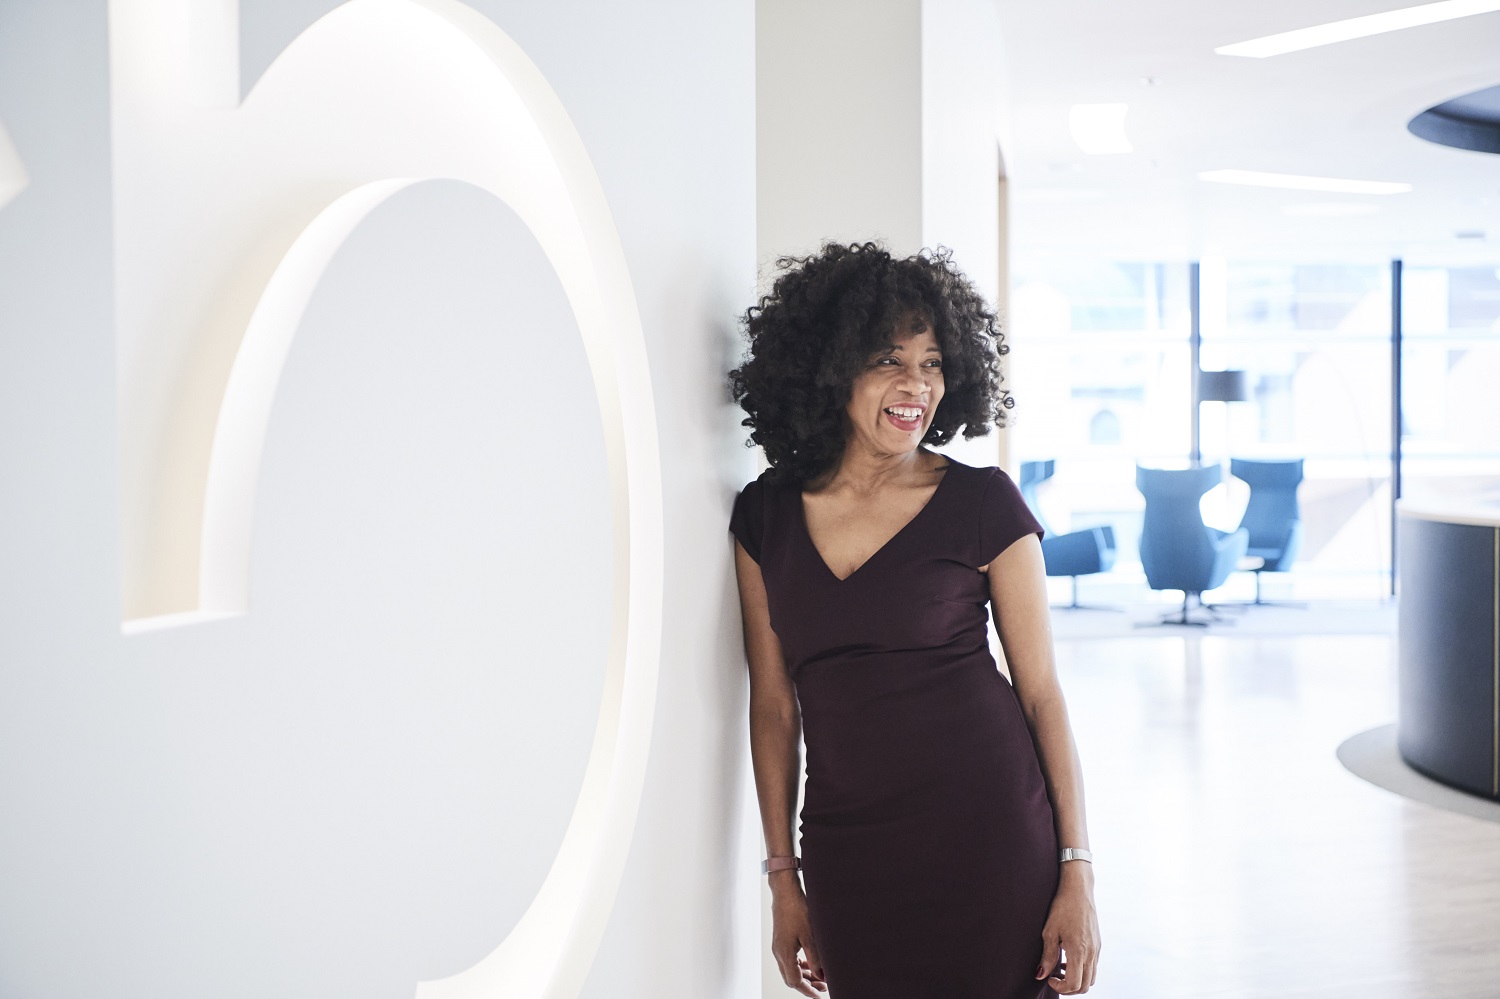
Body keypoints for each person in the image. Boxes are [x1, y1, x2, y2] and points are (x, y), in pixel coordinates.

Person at [727, 243, 1099, 998]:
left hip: (991, 833)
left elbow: (1041, 697)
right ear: (831, 368)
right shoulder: (764, 515)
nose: (916, 385)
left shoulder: (984, 503)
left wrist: (1077, 871)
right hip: (850, 852)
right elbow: (773, 706)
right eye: (889, 360)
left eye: (932, 363)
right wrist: (782, 879)